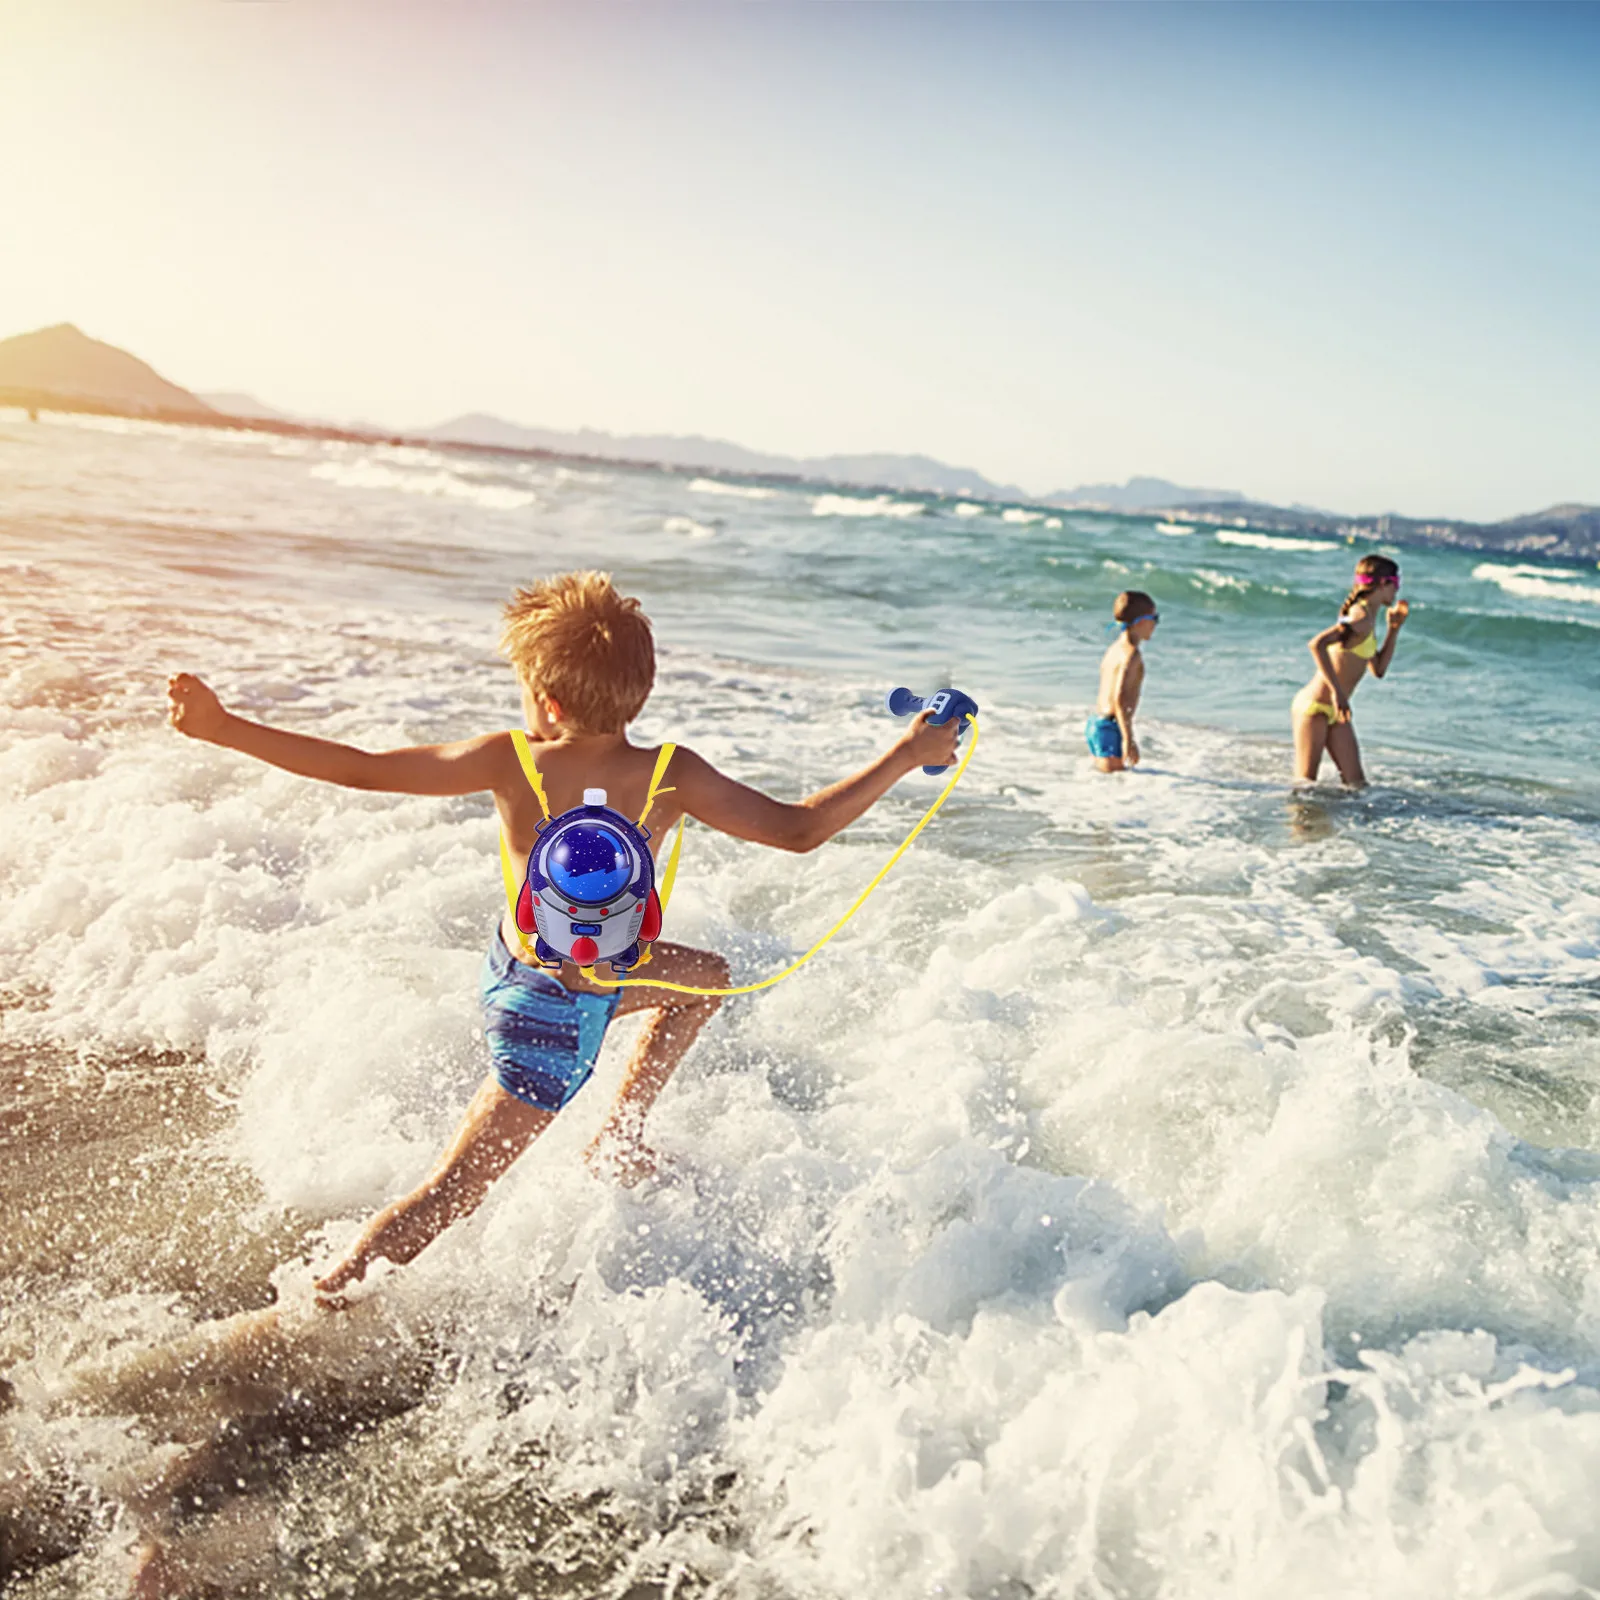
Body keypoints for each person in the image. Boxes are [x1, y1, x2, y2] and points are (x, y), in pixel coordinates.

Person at [167, 570, 958, 1298]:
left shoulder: (509, 759)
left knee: (705, 977)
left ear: (544, 699)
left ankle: (618, 1137)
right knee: (454, 1192)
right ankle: (322, 1299)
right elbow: (800, 830)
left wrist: (223, 726)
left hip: (518, 980)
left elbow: (360, 768)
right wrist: (908, 751)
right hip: (558, 1021)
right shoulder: (672, 772)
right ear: (638, 694)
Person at [1292, 553, 1409, 787]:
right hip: (1315, 707)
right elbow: (1317, 644)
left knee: (1357, 787)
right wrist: (1337, 692)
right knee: (1305, 787)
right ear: (1383, 583)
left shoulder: (1369, 618)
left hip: (1338, 712)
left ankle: (1341, 825)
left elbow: (1378, 669)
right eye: (1395, 584)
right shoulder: (1361, 616)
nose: (1397, 592)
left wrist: (1394, 629)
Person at [1085, 590, 1159, 772]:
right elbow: (1120, 698)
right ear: (1142, 621)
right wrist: (1128, 739)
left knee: (1106, 790)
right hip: (1111, 728)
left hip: (1096, 724)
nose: (1156, 624)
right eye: (1155, 618)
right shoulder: (1131, 654)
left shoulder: (1115, 649)